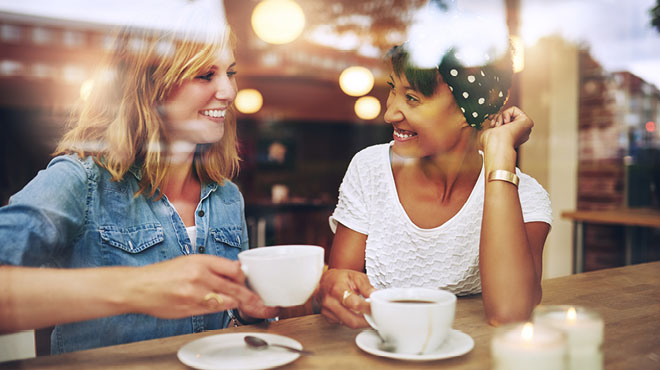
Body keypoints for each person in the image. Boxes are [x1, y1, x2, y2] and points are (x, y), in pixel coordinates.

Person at [0, 4, 277, 353]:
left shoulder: (226, 195)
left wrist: (250, 313)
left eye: (230, 72)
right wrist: (139, 287)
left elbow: (225, 322)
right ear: (150, 86)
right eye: (206, 75)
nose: (229, 92)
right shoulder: (81, 181)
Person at [318, 36, 552, 327]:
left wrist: (501, 153)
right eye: (393, 89)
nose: (389, 112)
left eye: (412, 98)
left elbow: (509, 314)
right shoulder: (370, 170)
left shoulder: (525, 197)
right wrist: (332, 288)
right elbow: (343, 294)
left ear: (468, 113)